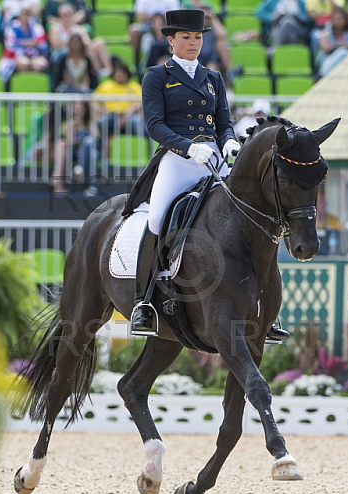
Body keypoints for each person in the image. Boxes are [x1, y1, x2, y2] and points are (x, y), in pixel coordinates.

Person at [125, 9, 262, 339]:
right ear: (171, 40)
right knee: (157, 219)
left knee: (251, 216)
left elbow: (224, 122)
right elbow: (155, 126)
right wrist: (187, 147)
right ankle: (143, 302)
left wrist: (229, 142)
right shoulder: (157, 76)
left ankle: (262, 306)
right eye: (186, 37)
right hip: (178, 160)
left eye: (198, 37)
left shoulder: (213, 78)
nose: (193, 43)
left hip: (213, 158)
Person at [93, 58, 146, 139]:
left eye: (122, 73)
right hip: (110, 114)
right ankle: (102, 148)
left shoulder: (134, 86)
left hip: (130, 116)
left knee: (138, 122)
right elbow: (94, 102)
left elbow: (139, 104)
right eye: (118, 73)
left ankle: (144, 148)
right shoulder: (105, 86)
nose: (119, 75)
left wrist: (125, 116)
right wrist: (101, 111)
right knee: (102, 122)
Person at [0, 7, 49, 83]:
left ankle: (35, 84)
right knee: (24, 63)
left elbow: (42, 44)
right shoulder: (12, 27)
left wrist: (21, 42)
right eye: (24, 14)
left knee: (39, 64)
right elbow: (11, 44)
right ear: (20, 15)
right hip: (17, 55)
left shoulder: (37, 27)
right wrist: (31, 43)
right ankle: (23, 84)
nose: (26, 16)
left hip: (36, 55)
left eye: (28, 14)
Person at [315, 8, 348, 76]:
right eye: (336, 19)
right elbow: (325, 47)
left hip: (346, 62)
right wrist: (341, 45)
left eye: (341, 19)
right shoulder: (326, 31)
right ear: (332, 20)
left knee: (345, 53)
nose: (338, 21)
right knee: (343, 52)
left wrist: (340, 44)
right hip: (328, 58)